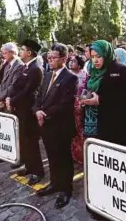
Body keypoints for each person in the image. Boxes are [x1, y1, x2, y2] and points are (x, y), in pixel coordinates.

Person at [33, 43, 78, 209]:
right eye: (48, 58)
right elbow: (38, 97)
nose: (49, 61)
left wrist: (45, 114)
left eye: (53, 58)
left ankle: (66, 189)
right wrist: (37, 110)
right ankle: (54, 183)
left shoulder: (70, 78)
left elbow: (65, 104)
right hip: (45, 125)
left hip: (60, 126)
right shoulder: (46, 75)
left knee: (64, 159)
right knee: (51, 156)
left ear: (64, 59)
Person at [80, 40, 126, 148]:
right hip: (93, 124)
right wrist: (84, 99)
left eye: (98, 56)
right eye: (92, 57)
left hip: (115, 127)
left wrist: (100, 100)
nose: (95, 60)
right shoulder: (93, 72)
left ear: (107, 54)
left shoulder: (122, 70)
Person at [6, 39, 45, 185]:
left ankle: (38, 171)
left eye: (22, 49)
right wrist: (10, 97)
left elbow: (28, 91)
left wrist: (13, 100)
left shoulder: (36, 68)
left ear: (29, 52)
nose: (20, 52)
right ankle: (29, 166)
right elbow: (16, 85)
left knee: (32, 142)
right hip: (21, 110)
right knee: (24, 140)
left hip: (28, 111)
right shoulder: (26, 66)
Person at [68, 55, 88, 164]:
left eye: (74, 61)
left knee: (80, 130)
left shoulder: (85, 75)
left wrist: (82, 103)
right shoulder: (67, 75)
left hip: (80, 107)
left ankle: (81, 155)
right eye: (70, 61)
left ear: (79, 64)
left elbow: (87, 90)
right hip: (67, 106)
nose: (71, 63)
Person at [0, 43, 23, 111]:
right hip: (3, 100)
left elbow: (13, 85)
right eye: (2, 53)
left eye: (5, 53)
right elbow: (2, 83)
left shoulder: (19, 65)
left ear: (13, 52)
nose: (3, 55)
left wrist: (0, 97)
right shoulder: (7, 65)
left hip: (11, 101)